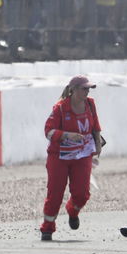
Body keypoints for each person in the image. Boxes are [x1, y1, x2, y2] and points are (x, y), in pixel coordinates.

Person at [40, 75, 103, 241]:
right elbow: (49, 132)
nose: (87, 91)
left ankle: (72, 210)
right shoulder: (60, 108)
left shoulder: (90, 104)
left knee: (82, 193)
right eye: (84, 88)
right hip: (59, 157)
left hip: (82, 155)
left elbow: (95, 125)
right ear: (73, 90)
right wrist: (67, 135)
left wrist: (97, 142)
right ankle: (47, 228)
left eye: (88, 88)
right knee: (55, 194)